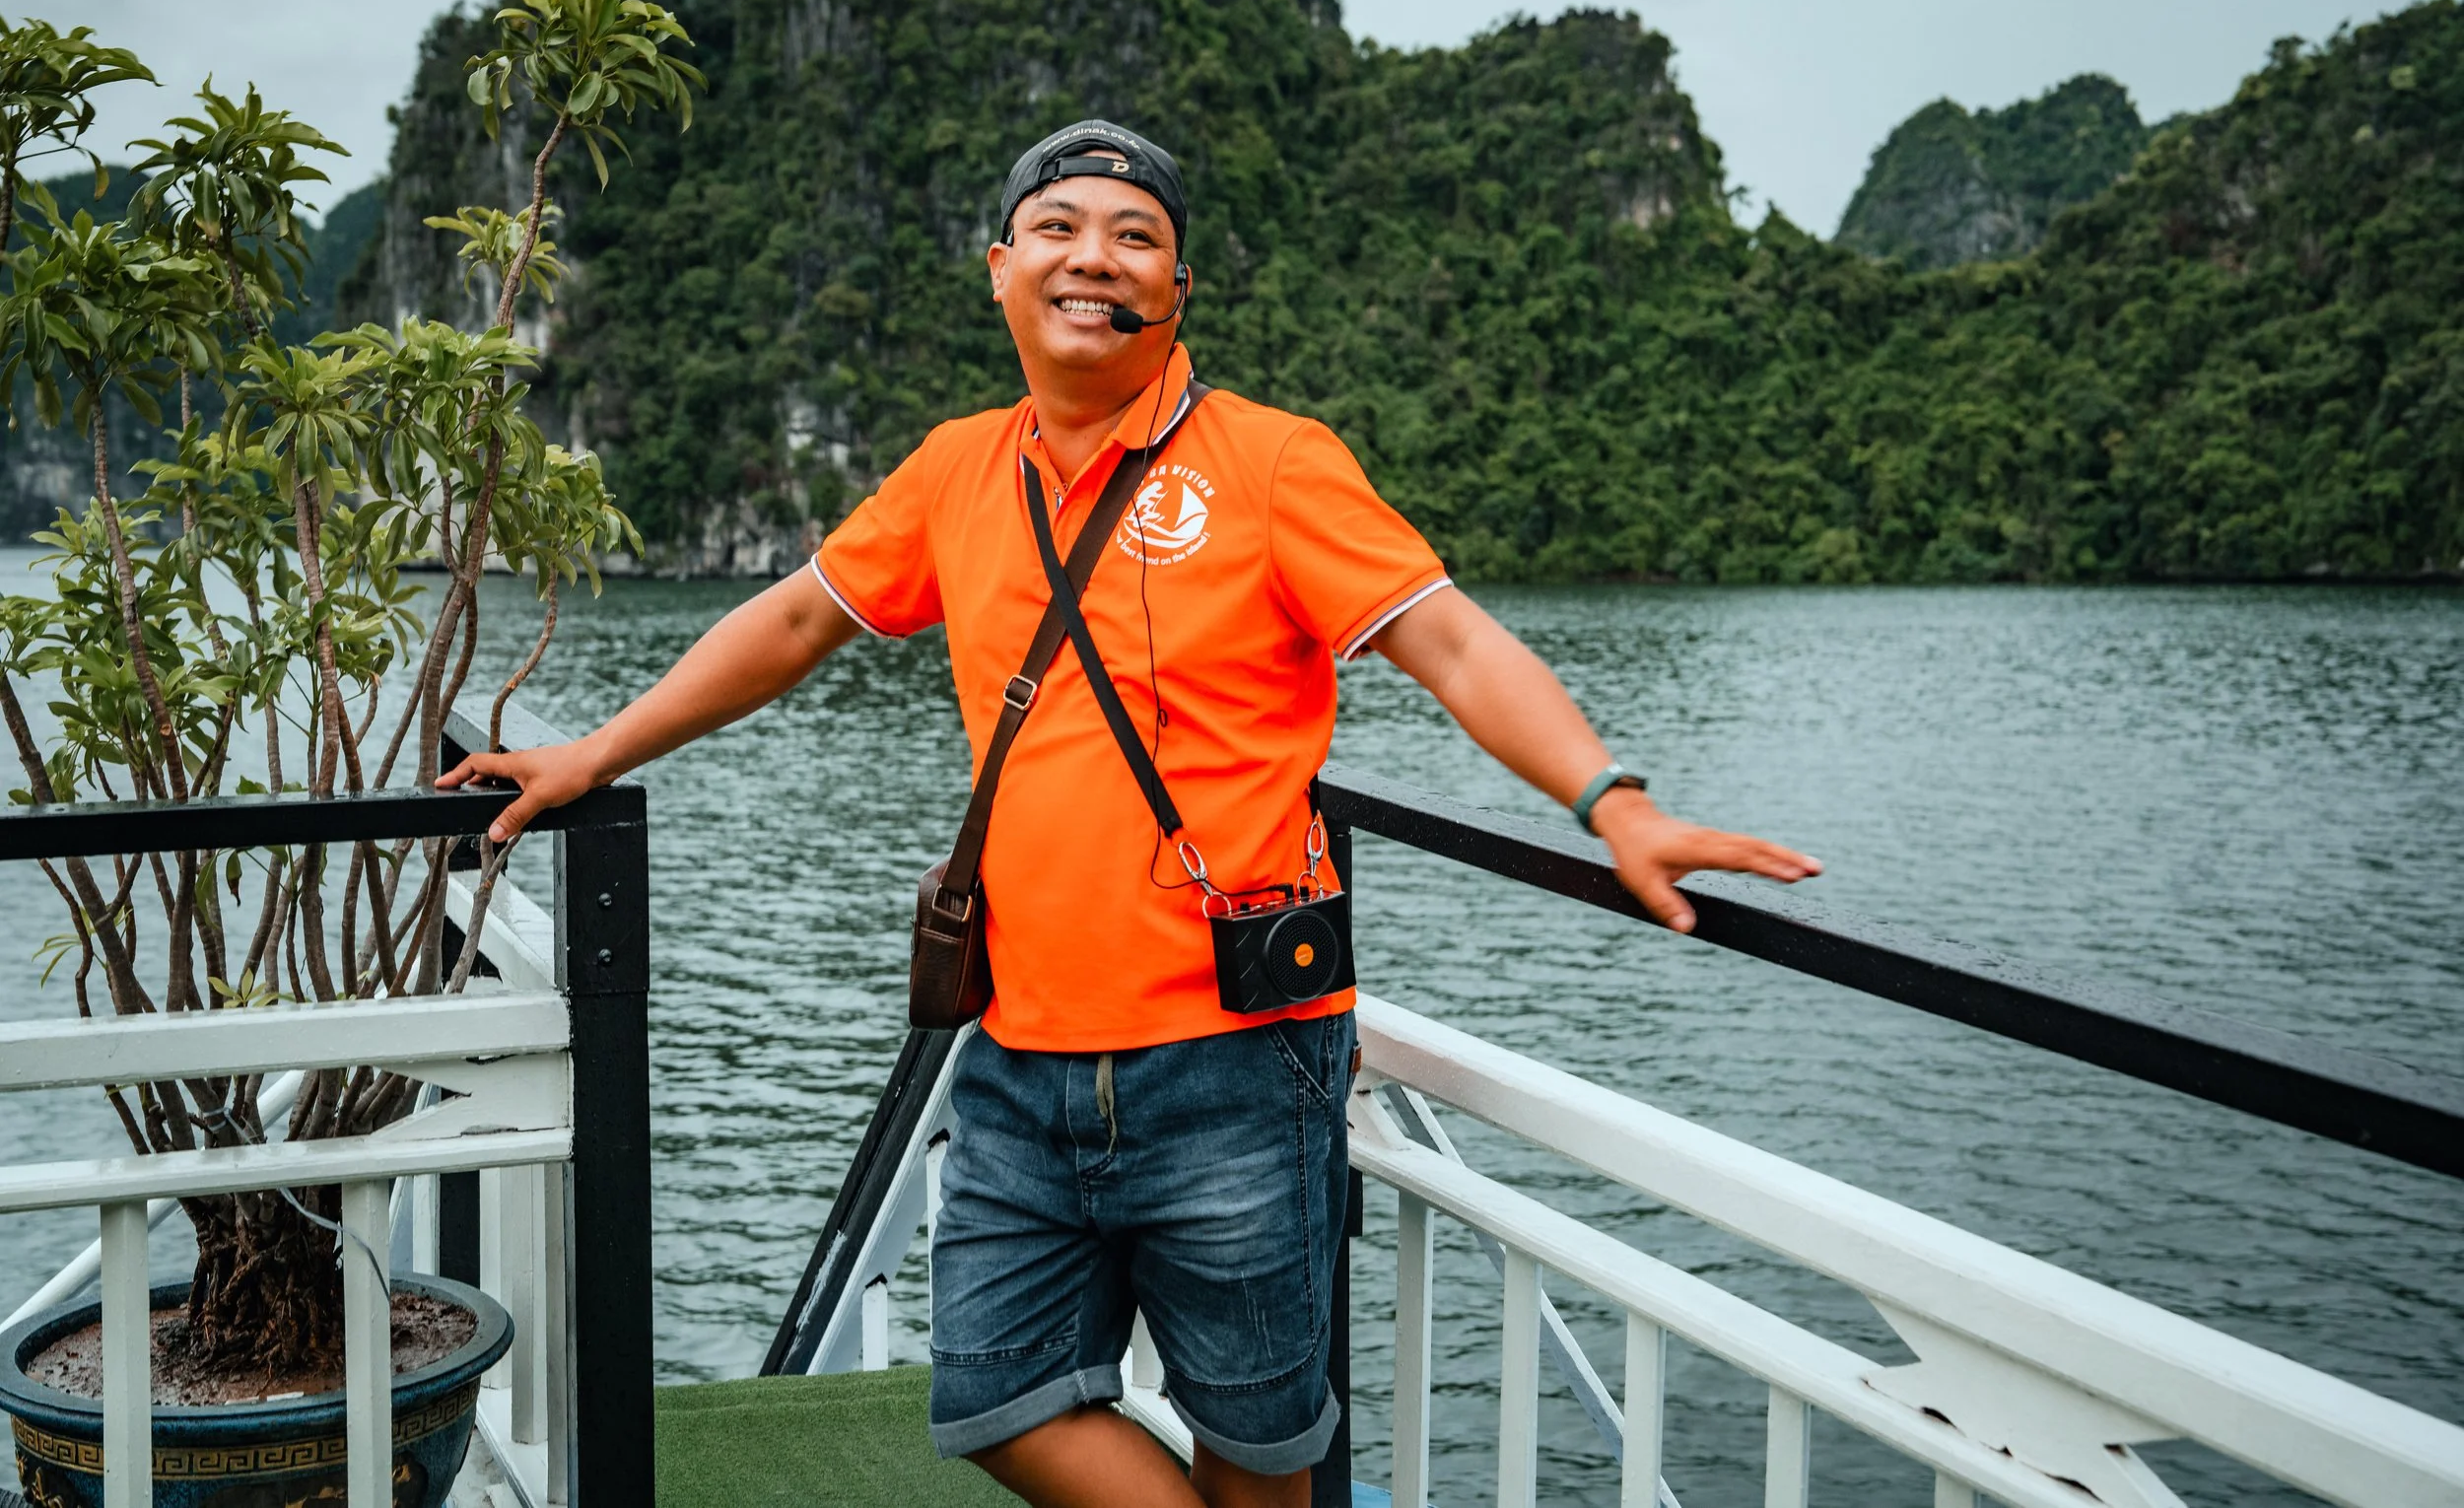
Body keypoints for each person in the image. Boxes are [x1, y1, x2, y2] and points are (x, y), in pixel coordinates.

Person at [440, 118, 1820, 1508]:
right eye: (1058, 228)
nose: (1092, 257)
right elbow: (799, 616)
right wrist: (597, 752)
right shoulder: (956, 470)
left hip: (1235, 1064)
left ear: (1178, 290)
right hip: (1018, 1058)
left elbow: (1449, 641)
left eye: (1134, 235)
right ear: (1000, 270)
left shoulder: (1273, 463)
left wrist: (1611, 799)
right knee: (989, 1398)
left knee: (1261, 1449)